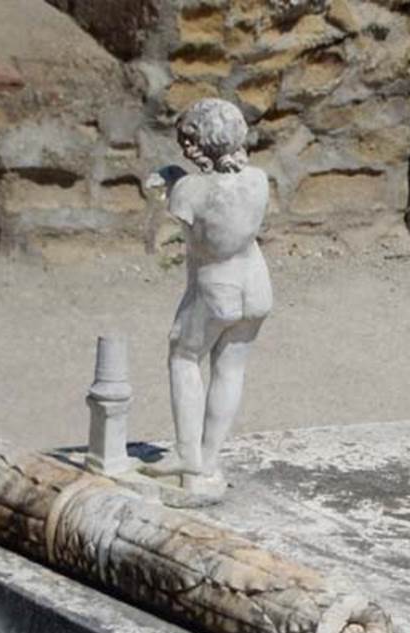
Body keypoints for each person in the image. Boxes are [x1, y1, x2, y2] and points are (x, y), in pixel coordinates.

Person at [142, 98, 271, 498]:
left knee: (183, 355)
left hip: (218, 287)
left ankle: (187, 455)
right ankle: (209, 459)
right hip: (257, 284)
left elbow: (178, 238)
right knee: (230, 370)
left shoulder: (191, 191)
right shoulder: (258, 179)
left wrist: (167, 188)